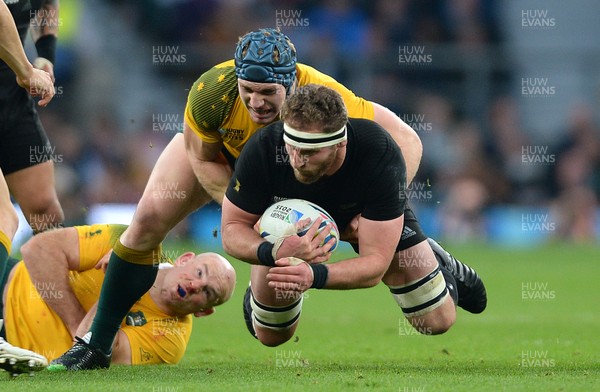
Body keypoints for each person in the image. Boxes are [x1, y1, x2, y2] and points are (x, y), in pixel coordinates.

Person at [53, 28, 480, 370]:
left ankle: (425, 250)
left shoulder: (330, 102)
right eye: (247, 90)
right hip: (229, 162)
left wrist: (377, 212)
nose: (256, 102)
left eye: (267, 94)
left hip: (315, 179)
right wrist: (249, 215)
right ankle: (95, 345)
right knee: (144, 225)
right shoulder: (210, 94)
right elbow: (200, 157)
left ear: (292, 84)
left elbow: (404, 140)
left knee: (432, 321)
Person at [220, 84, 486, 346]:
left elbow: (374, 265)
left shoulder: (378, 153)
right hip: (288, 234)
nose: (298, 159)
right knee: (271, 336)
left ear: (340, 142)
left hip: (364, 217)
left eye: (311, 151)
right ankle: (257, 293)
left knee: (435, 321)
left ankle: (439, 258)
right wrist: (273, 251)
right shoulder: (265, 147)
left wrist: (314, 275)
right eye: (293, 146)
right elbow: (231, 228)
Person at [0, 223, 236, 373]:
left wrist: (121, 276)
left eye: (208, 292)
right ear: (184, 259)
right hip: (6, 280)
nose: (195, 285)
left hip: (12, 349)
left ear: (203, 311)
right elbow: (36, 250)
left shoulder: (170, 340)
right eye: (199, 272)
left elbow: (92, 348)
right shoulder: (127, 241)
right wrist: (76, 326)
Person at [0, 0, 64, 234]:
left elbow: (46, 2)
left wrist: (46, 55)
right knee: (3, 216)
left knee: (44, 210)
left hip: (11, 98)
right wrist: (27, 72)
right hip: (18, 77)